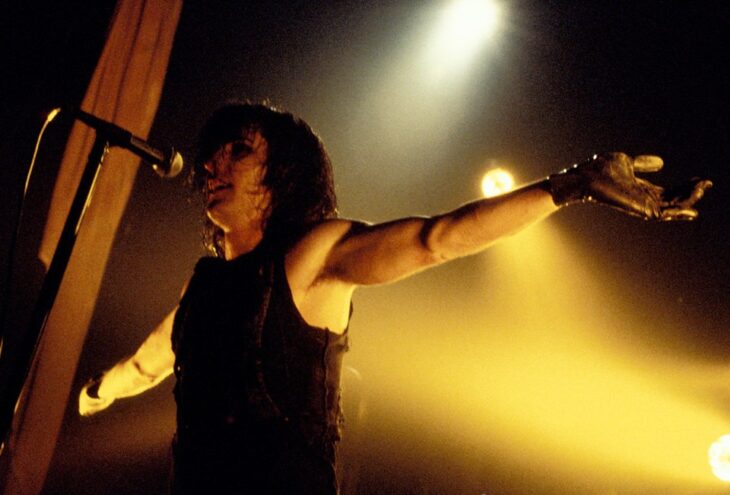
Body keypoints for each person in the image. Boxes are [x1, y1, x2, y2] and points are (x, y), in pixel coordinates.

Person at [78, 102, 711, 494]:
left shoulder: (315, 254)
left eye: (238, 151)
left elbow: (439, 239)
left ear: (282, 174)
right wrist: (96, 391)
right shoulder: (203, 285)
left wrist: (571, 186)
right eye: (212, 156)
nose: (213, 166)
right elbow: (147, 364)